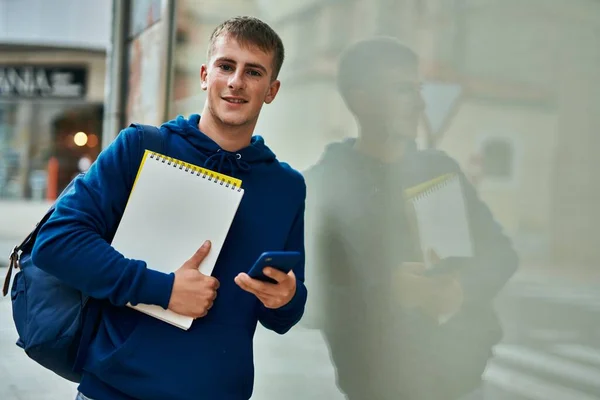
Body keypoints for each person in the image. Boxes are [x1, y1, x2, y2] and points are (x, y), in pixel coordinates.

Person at [32, 16, 307, 400]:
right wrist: (163, 289)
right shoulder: (140, 148)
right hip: (116, 391)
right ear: (204, 75)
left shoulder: (286, 187)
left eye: (253, 72)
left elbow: (282, 315)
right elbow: (56, 243)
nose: (236, 81)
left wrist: (288, 299)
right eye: (226, 66)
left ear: (271, 90)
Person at [302, 37, 519, 399]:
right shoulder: (323, 185)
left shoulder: (438, 170)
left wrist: (459, 290)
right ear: (362, 100)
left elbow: (500, 254)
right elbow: (307, 300)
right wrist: (389, 293)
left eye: (419, 89)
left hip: (461, 384)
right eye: (403, 90)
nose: (420, 103)